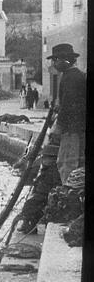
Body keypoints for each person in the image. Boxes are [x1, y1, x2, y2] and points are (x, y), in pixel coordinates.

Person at [47, 43, 87, 185]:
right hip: (79, 128)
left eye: (56, 60)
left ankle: (68, 195)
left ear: (65, 60)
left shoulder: (70, 78)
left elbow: (69, 105)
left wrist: (58, 126)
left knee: (66, 164)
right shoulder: (78, 76)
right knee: (78, 163)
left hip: (71, 130)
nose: (54, 63)